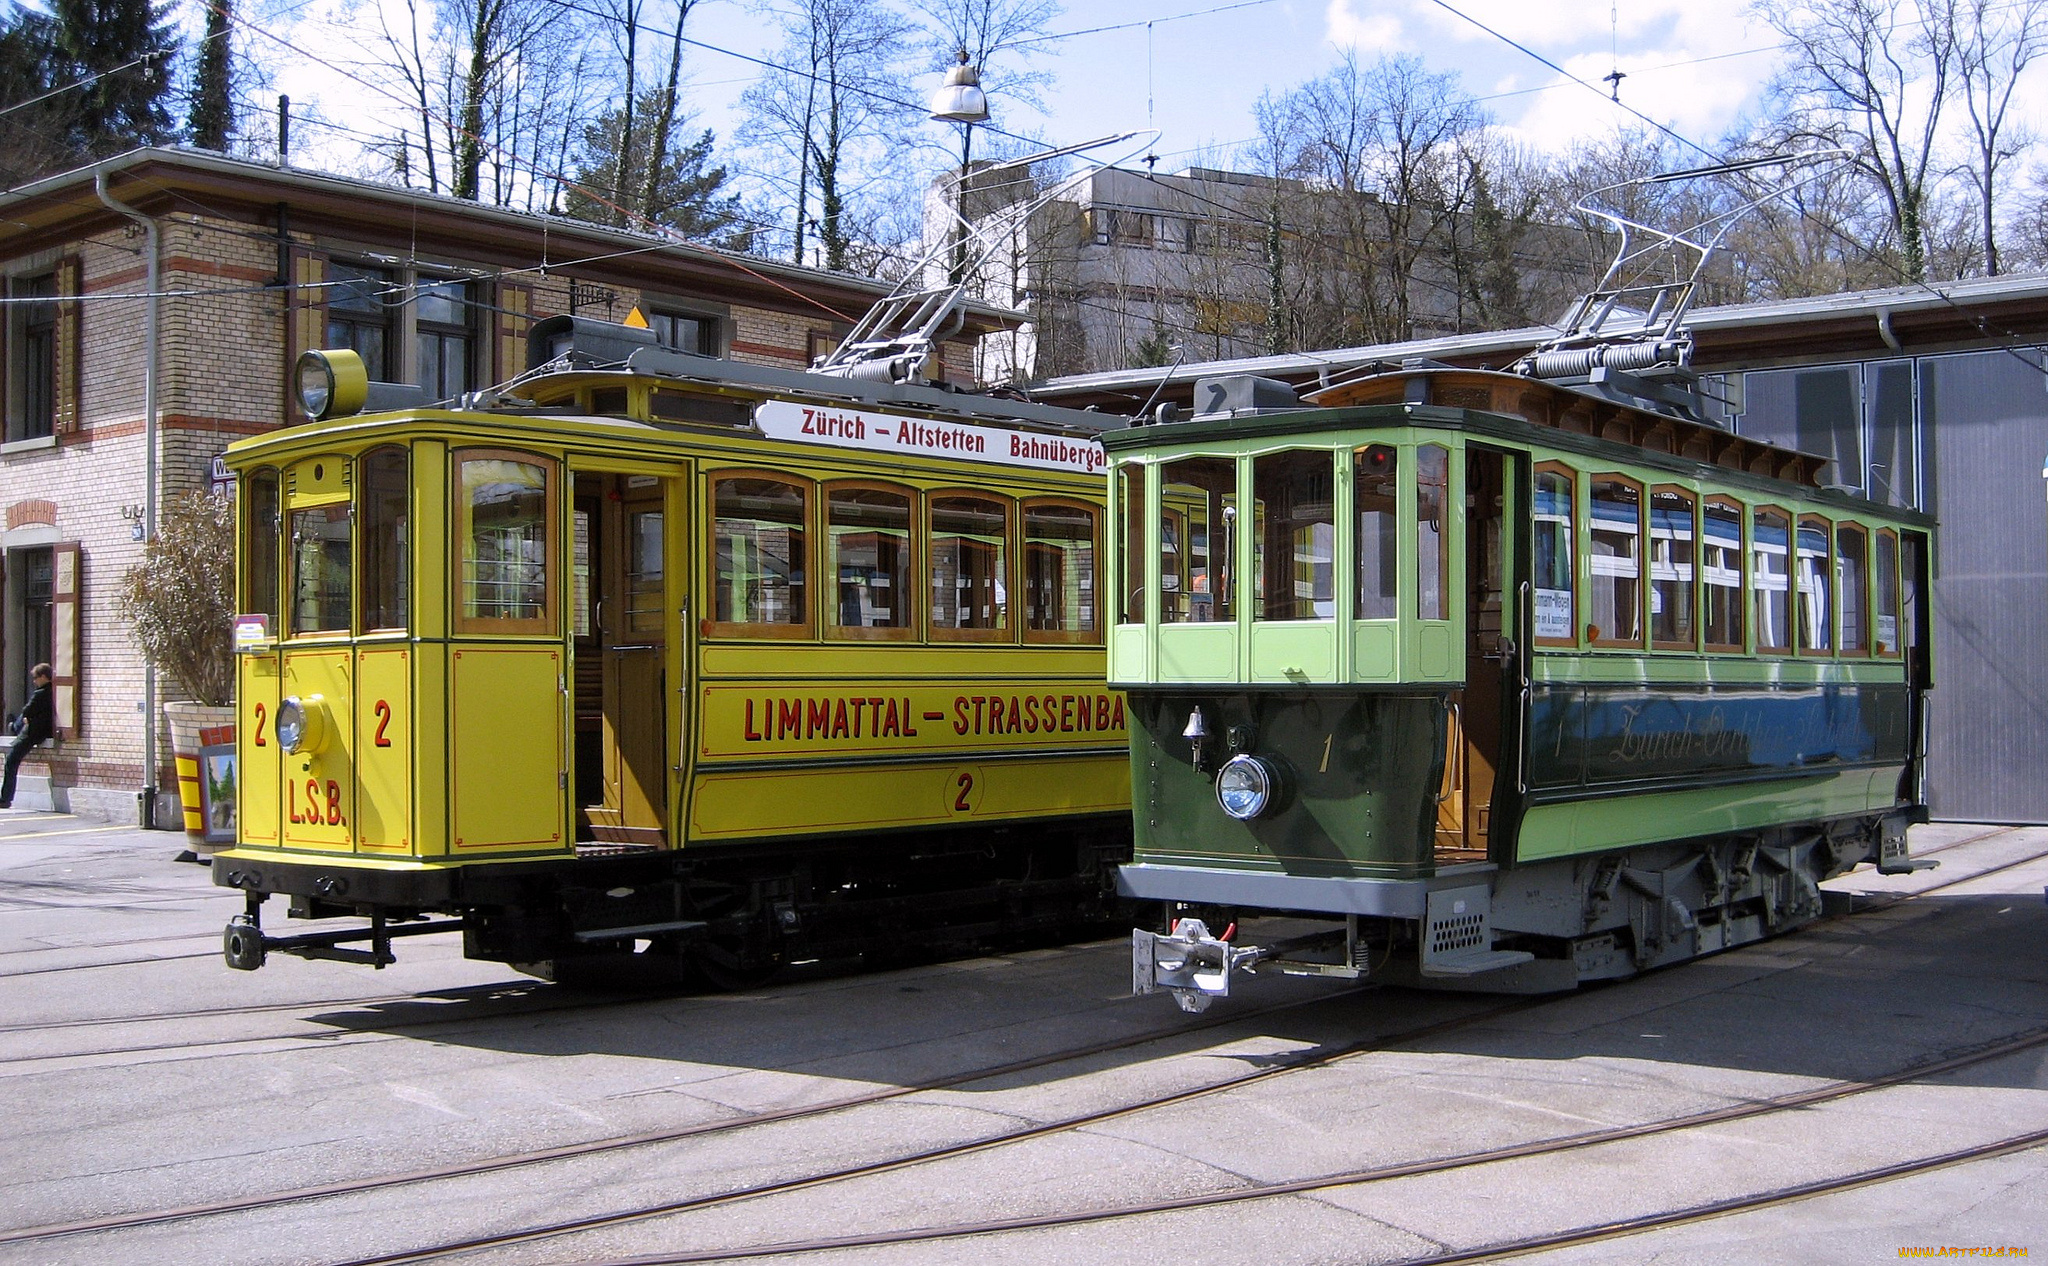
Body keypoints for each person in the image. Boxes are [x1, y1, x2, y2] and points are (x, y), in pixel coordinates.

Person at [0, 662, 53, 809]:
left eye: (36, 678)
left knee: (11, 760)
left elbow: (27, 711)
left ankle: (5, 798)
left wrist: (26, 719)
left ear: (43, 677)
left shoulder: (40, 693)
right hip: (42, 731)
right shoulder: (53, 691)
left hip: (32, 733)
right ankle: (15, 727)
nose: (34, 681)